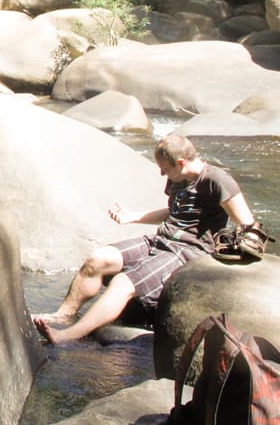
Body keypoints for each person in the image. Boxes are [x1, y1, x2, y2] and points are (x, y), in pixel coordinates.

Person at [33, 132, 259, 344]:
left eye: (164, 169)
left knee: (124, 282)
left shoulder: (217, 181)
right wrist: (132, 217)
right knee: (98, 259)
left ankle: (67, 336)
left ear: (180, 162)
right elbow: (173, 212)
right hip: (160, 240)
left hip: (188, 252)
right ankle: (63, 315)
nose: (162, 174)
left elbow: (248, 224)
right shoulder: (178, 178)